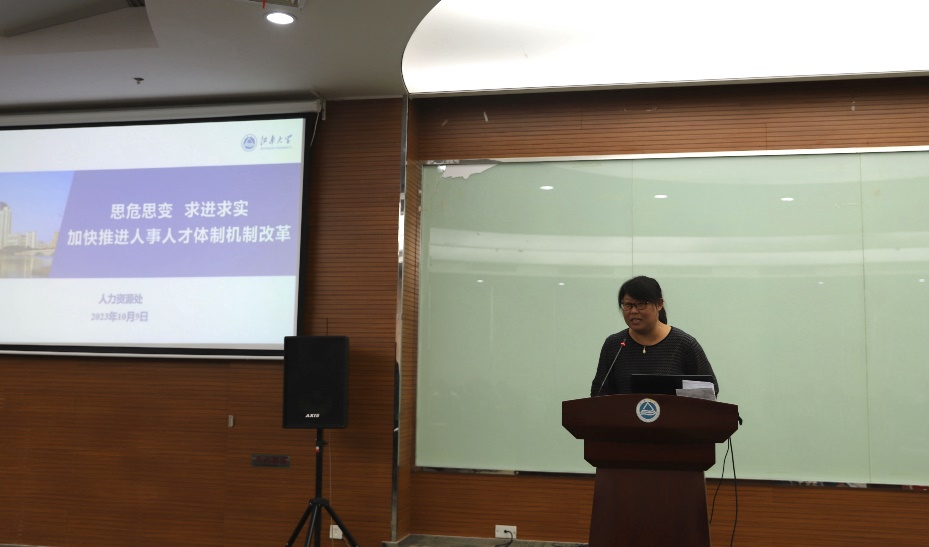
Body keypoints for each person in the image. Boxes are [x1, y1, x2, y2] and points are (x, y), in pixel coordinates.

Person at [590, 275, 718, 396]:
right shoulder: (614, 345)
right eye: (628, 305)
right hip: (624, 413)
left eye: (641, 304)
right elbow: (599, 392)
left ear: (659, 304)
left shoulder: (684, 344)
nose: (633, 311)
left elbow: (709, 391)